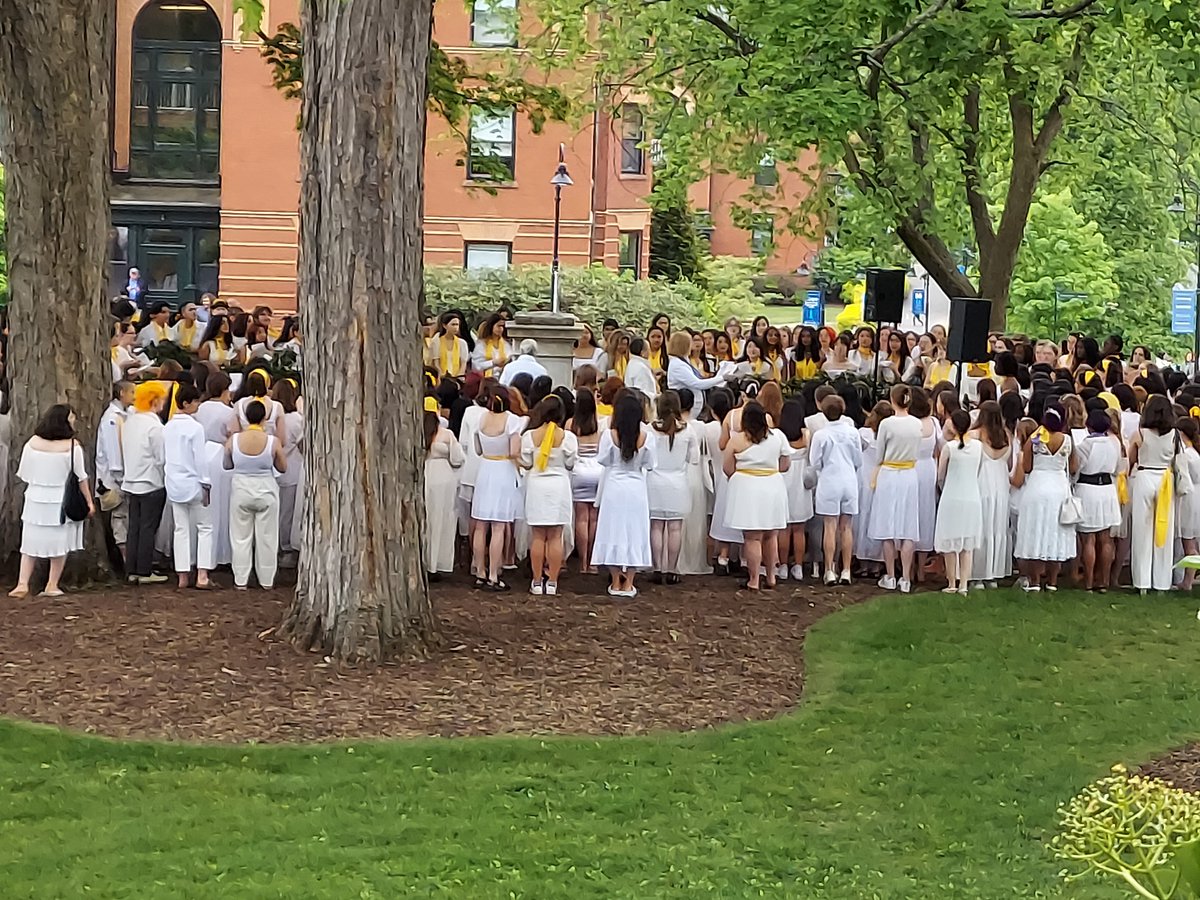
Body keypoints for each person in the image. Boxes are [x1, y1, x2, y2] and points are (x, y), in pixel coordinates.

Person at [9, 405, 94, 598]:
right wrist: (89, 502)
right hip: (60, 500)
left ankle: (22, 583)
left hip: (35, 498)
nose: (73, 422)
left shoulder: (32, 443)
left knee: (29, 542)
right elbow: (81, 477)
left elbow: (24, 473)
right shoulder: (73, 447)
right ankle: (51, 584)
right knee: (59, 543)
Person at [592, 393, 657, 597]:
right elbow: (650, 464)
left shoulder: (609, 436)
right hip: (636, 488)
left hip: (614, 487)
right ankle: (629, 582)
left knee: (612, 530)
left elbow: (603, 460)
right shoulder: (647, 437)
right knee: (635, 532)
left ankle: (614, 580)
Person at [723, 401, 790, 590]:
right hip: (773, 486)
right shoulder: (778, 437)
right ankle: (770, 576)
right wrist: (771, 470)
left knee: (753, 537)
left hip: (747, 488)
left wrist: (742, 474)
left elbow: (727, 467)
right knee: (771, 535)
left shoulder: (737, 440)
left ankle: (754, 579)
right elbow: (786, 463)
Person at [224, 400, 287, 590]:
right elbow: (283, 467)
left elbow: (226, 465)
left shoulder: (233, 440)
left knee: (240, 536)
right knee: (267, 537)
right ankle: (266, 579)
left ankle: (241, 579)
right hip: (266, 489)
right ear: (265, 419)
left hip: (241, 489)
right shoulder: (272, 441)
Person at [1012, 406, 1077, 592]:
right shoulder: (1068, 441)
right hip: (1059, 488)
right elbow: (1073, 467)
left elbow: (1026, 467)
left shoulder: (1035, 440)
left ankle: (1034, 581)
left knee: (1035, 531)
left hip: (1037, 487)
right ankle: (1053, 581)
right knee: (1055, 533)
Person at [520, 396, 578, 595]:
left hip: (537, 484)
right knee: (555, 535)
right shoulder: (567, 438)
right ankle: (552, 581)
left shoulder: (530, 436)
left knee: (537, 535)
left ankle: (536, 581)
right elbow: (571, 463)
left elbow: (526, 462)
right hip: (559, 486)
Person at [869, 384, 923, 593]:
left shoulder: (887, 425)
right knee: (908, 526)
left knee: (889, 525)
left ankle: (891, 575)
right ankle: (906, 578)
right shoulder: (916, 424)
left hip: (890, 473)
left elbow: (879, 454)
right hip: (909, 474)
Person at [470, 386, 524, 591]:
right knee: (499, 525)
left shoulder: (481, 419)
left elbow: (477, 449)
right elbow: (514, 451)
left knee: (481, 525)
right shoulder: (511, 420)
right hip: (503, 470)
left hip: (485, 469)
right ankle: (494, 573)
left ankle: (480, 571)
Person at [1128, 395, 1181, 594]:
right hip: (1165, 479)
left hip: (1144, 475)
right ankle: (1162, 582)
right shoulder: (1175, 435)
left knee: (1142, 531)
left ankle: (1142, 582)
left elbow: (1130, 459)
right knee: (1164, 532)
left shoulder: (1140, 433)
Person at [163, 384, 214, 590]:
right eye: (196, 402)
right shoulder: (195, 428)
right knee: (204, 527)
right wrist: (206, 483)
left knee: (181, 529)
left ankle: (182, 575)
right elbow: (200, 458)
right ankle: (202, 574)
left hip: (174, 482)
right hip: (194, 481)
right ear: (186, 403)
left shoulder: (167, 427)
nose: (198, 405)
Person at [808, 394, 863, 584]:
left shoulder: (821, 435)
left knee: (830, 526)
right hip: (849, 480)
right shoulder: (853, 432)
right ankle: (846, 570)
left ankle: (829, 569)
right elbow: (858, 460)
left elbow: (814, 462)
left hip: (829, 481)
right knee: (846, 526)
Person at [647, 391, 698, 584]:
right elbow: (693, 459)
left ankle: (657, 568)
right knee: (675, 528)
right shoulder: (688, 430)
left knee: (656, 526)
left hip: (655, 482)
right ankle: (672, 569)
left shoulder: (650, 429)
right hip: (678, 482)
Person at [122, 382, 169, 585]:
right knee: (148, 527)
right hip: (151, 481)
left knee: (134, 527)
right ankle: (144, 569)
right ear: (155, 401)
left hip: (131, 479)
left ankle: (131, 569)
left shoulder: (130, 422)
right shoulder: (155, 427)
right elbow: (161, 458)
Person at [933, 410, 983, 594]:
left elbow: (940, 475)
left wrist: (943, 485)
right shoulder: (978, 447)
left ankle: (952, 582)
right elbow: (978, 470)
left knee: (950, 540)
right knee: (966, 544)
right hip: (971, 495)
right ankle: (963, 584)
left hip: (952, 496)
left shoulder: (950, 447)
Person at [1074, 408, 1122, 592]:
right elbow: (1118, 467)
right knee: (1106, 539)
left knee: (1088, 540)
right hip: (1107, 489)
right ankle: (1104, 581)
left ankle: (1088, 582)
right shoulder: (1114, 443)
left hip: (1088, 489)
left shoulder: (1085, 446)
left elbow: (1077, 468)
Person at [968, 400, 1012, 588]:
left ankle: (977, 574)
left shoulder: (974, 435)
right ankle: (993, 574)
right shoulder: (1006, 437)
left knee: (981, 527)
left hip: (981, 483)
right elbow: (1010, 464)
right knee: (997, 528)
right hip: (1001, 485)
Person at [423, 409, 465, 579]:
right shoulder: (447, 435)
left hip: (426, 473)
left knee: (426, 518)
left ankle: (425, 559)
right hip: (444, 477)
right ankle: (437, 562)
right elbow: (457, 458)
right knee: (443, 519)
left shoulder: (421, 434)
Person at [675, 387, 712, 577]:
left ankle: (674, 559)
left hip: (678, 471)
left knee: (675, 519)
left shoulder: (669, 426)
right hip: (694, 473)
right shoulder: (699, 427)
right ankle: (694, 558)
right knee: (695, 518)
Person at [96, 381, 134, 562]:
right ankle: (125, 558)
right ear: (121, 393)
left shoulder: (126, 414)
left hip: (123, 476)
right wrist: (120, 476)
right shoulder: (112, 418)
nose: (134, 396)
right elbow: (113, 451)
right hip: (113, 479)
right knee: (119, 517)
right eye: (131, 392)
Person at [568, 388, 603, 574]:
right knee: (595, 518)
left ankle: (582, 562)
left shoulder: (570, 424)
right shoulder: (600, 425)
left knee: (581, 518)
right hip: (597, 470)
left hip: (579, 470)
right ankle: (593, 561)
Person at [777, 399, 812, 582]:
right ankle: (798, 566)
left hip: (783, 482)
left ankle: (782, 565)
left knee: (784, 528)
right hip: (800, 484)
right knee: (799, 529)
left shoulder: (778, 435)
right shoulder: (806, 436)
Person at [271, 380, 304, 558]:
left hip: (271, 469)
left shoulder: (271, 418)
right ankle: (285, 547)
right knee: (287, 512)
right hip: (292, 469)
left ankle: (273, 546)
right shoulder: (295, 419)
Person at [665, 331, 727, 416]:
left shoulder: (683, 361)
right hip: (687, 408)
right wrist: (722, 378)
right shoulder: (677, 365)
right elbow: (697, 383)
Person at [426, 312, 470, 378]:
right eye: (453, 324)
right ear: (445, 326)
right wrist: (442, 375)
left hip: (457, 378)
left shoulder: (462, 343)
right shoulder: (437, 341)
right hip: (441, 377)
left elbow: (463, 364)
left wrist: (458, 377)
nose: (456, 327)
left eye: (457, 325)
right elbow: (436, 363)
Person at [471, 313, 513, 379]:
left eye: (503, 326)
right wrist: (493, 362)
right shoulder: (481, 345)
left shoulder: (506, 345)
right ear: (491, 326)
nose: (501, 329)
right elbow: (476, 366)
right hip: (486, 380)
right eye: (499, 326)